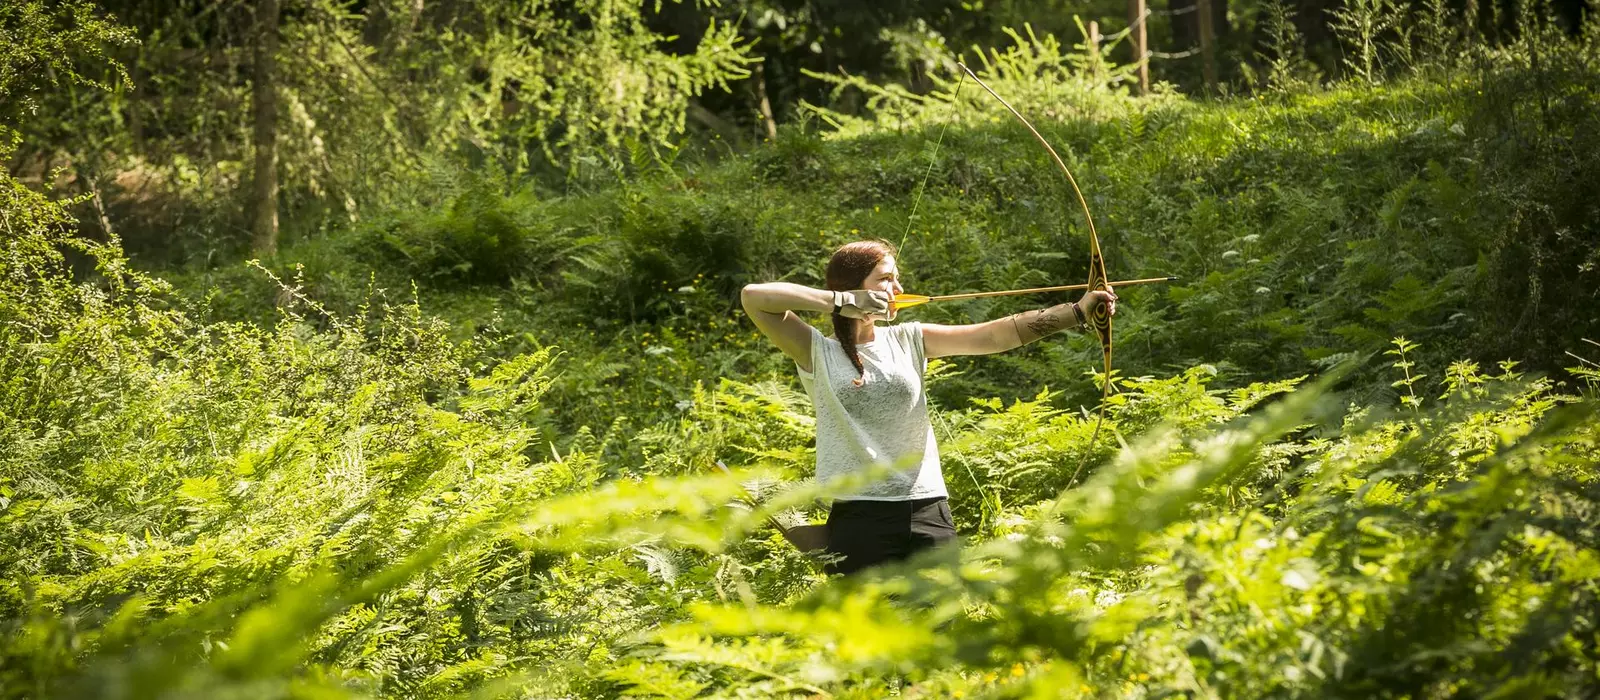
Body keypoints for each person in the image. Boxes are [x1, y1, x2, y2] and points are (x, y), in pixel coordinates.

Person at [739, 239, 1117, 575]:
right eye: (885, 278)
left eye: (896, 278)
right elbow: (754, 296)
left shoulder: (909, 338)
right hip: (858, 513)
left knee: (943, 632)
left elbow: (994, 335)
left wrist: (1078, 312)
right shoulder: (815, 350)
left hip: (927, 507)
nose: (898, 289)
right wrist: (841, 301)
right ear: (853, 284)